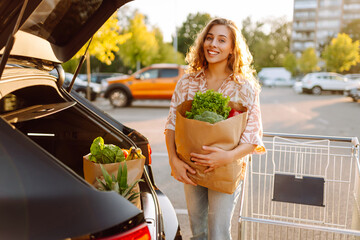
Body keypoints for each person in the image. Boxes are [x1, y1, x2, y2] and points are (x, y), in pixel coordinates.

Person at [164, 18, 265, 240]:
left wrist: (226, 156)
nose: (213, 44)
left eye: (221, 40)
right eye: (209, 38)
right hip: (191, 166)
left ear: (232, 49)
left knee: (218, 233)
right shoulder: (187, 82)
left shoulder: (245, 87)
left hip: (226, 168)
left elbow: (253, 137)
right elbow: (172, 124)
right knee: (198, 230)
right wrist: (173, 160)